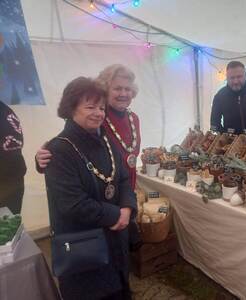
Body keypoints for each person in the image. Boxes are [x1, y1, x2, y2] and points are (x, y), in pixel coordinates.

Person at [44, 77, 136, 300]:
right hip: (84, 249)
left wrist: (127, 208)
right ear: (71, 108)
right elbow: (72, 204)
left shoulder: (104, 139)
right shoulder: (59, 150)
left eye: (102, 107)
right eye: (90, 107)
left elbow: (123, 178)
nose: (98, 113)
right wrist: (117, 215)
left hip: (115, 241)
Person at [36, 64, 142, 249]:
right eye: (117, 88)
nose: (123, 93)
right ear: (107, 89)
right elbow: (67, 150)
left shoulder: (133, 119)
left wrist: (126, 206)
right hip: (94, 211)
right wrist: (41, 159)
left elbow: (125, 166)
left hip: (120, 191)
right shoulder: (97, 122)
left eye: (127, 88)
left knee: (120, 251)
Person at [0, 100, 26, 214]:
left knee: (7, 228)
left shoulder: (6, 113)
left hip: (9, 185)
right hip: (12, 182)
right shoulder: (7, 112)